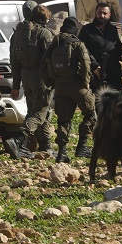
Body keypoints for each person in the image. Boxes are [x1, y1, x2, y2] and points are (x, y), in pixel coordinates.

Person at [42, 17, 97, 163]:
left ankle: (62, 153)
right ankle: (82, 147)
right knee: (91, 114)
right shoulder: (77, 44)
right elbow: (86, 64)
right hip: (77, 85)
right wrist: (86, 84)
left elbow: (45, 63)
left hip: (60, 86)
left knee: (63, 120)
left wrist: (52, 81)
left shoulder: (54, 43)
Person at [5, 2, 52, 159]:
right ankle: (19, 139)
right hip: (41, 77)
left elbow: (14, 61)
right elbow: (49, 59)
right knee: (41, 111)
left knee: (35, 110)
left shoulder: (18, 33)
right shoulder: (44, 33)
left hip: (26, 76)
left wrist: (16, 85)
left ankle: (45, 145)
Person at [78, 2, 122, 90]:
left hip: (113, 72)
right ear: (95, 13)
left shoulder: (113, 29)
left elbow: (117, 46)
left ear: (109, 15)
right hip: (96, 73)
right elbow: (82, 50)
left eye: (105, 13)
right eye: (99, 13)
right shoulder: (87, 30)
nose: (102, 15)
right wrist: (94, 66)